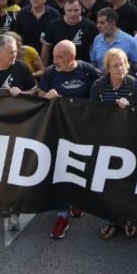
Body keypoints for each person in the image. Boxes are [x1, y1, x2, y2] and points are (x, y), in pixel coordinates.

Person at [38, 39, 99, 240]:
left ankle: (79, 200)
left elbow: (101, 87)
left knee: (81, 166)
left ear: (72, 58)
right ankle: (62, 215)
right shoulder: (50, 72)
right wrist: (46, 95)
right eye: (54, 55)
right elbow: (40, 93)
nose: (54, 60)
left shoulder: (87, 70)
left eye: (59, 57)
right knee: (60, 169)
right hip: (59, 129)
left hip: (83, 130)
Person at [90, 49, 137, 240]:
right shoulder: (98, 85)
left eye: (122, 64)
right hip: (107, 140)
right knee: (109, 183)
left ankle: (129, 219)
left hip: (129, 141)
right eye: (115, 65)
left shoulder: (135, 85)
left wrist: (129, 110)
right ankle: (112, 220)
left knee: (128, 182)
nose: (120, 68)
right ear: (107, 68)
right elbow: (93, 112)